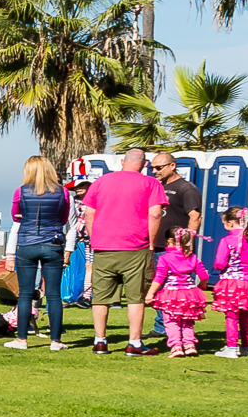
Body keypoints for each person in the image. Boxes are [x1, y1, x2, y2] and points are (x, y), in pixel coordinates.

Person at [82, 149, 164, 356]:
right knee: (136, 297)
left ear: (121, 161)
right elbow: (155, 214)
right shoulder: (151, 183)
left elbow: (89, 212)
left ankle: (100, 341)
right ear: (145, 164)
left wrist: (95, 238)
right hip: (136, 247)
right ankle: (134, 343)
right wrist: (152, 243)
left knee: (100, 297)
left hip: (104, 248)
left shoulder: (100, 182)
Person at [3, 155, 71, 351]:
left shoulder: (21, 191)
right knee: (54, 294)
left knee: (25, 294)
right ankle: (56, 341)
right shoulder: (63, 193)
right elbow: (64, 219)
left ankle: (21, 339)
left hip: (27, 244)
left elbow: (15, 217)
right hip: (53, 244)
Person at [149, 230, 210, 356]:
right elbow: (204, 275)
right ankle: (189, 344)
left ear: (169, 241)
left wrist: (150, 293)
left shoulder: (164, 258)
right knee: (187, 321)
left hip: (171, 294)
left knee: (171, 321)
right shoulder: (192, 257)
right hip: (190, 294)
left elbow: (159, 278)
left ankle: (176, 346)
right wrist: (202, 285)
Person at [212, 207, 248, 358]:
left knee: (231, 315)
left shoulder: (227, 240)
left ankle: (232, 348)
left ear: (231, 222)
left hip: (232, 283)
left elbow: (220, 263)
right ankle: (247, 346)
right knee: (245, 315)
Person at [150, 150, 202, 254]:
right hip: (155, 246)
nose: (154, 171)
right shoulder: (158, 186)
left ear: (172, 166)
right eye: (152, 168)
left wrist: (188, 243)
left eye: (159, 168)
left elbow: (195, 217)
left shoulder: (186, 188)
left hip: (175, 248)